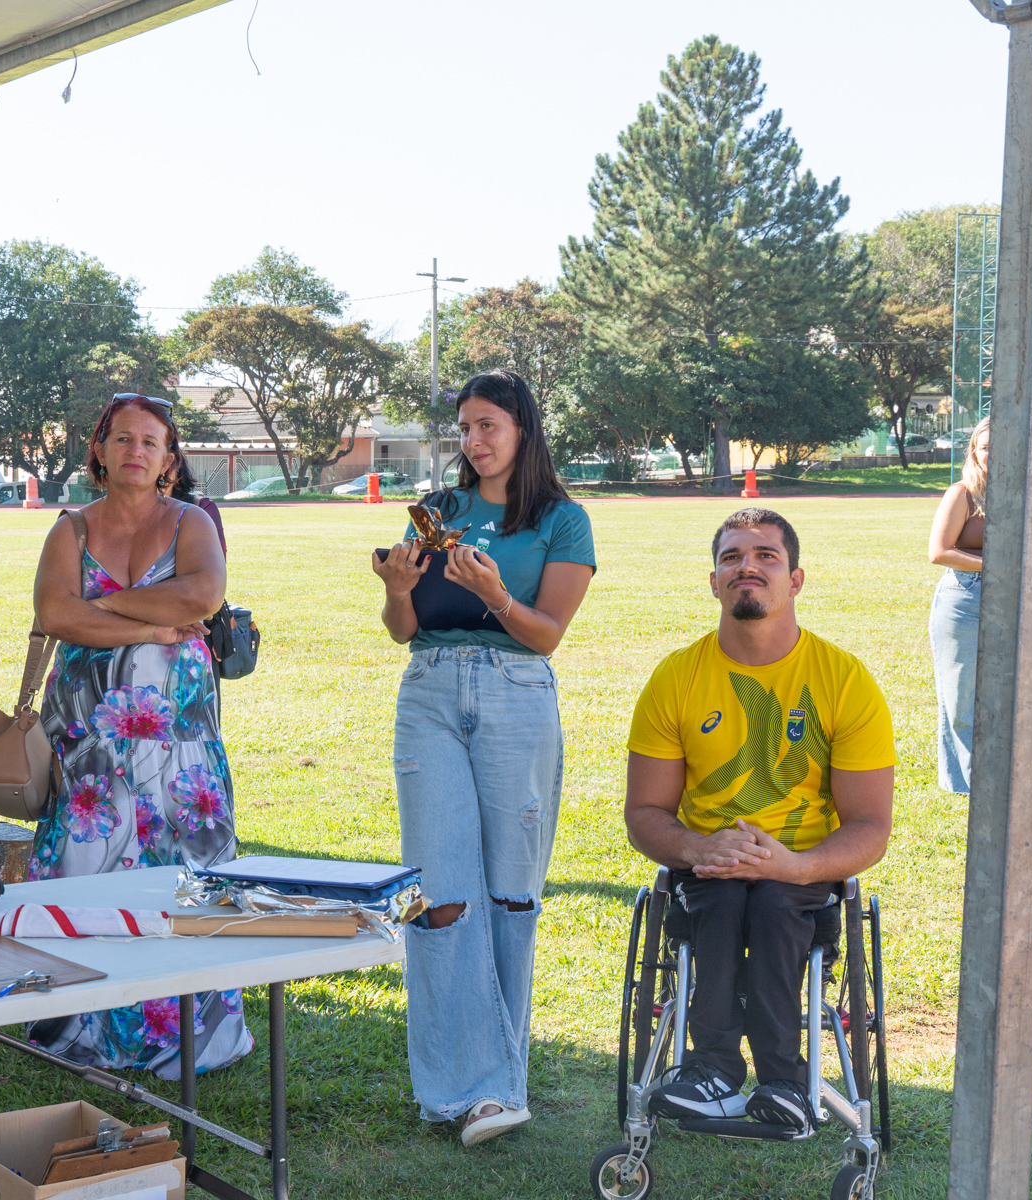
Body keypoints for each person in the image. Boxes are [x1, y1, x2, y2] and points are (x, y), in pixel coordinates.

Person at [369, 370, 596, 1145]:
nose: (472, 441)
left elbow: (547, 634)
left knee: (509, 893)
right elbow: (403, 628)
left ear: (523, 428)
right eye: (464, 427)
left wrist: (497, 595)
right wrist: (399, 587)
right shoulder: (439, 510)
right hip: (429, 691)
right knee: (439, 897)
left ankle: (494, 1088)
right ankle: (460, 1091)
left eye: (487, 425)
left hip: (516, 692)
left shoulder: (563, 521)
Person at [626, 508, 894, 1136]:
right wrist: (697, 848)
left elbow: (870, 825)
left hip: (803, 867)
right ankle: (712, 1073)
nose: (747, 566)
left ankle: (785, 1083)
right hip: (707, 865)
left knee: (774, 904)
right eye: (732, 557)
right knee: (720, 901)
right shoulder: (676, 677)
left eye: (766, 555)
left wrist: (797, 865)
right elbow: (644, 814)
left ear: (795, 580)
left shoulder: (844, 680)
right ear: (714, 582)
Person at [25, 392, 249, 1078]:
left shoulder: (190, 522)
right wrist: (150, 626)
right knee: (87, 863)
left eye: (151, 442)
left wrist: (102, 605)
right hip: (90, 741)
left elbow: (202, 595)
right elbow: (55, 615)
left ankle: (194, 1031)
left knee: (186, 866)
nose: (136, 451)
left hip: (180, 740)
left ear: (169, 459)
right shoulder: (70, 531)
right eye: (123, 438)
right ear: (99, 450)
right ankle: (81, 1026)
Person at [927, 417, 989, 794]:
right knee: (961, 695)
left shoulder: (1019, 493)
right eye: (985, 447)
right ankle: (966, 784)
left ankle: (997, 775)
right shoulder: (963, 493)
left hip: (1013, 599)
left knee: (1005, 691)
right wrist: (995, 563)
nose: (992, 454)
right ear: (974, 453)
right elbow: (938, 552)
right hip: (963, 600)